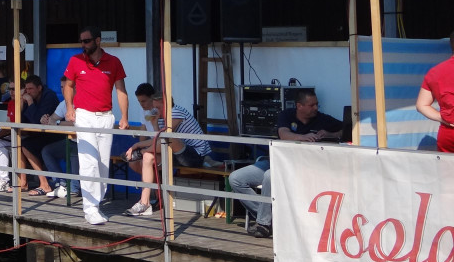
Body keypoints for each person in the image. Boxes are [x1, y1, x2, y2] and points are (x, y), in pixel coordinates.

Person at [230, 89, 342, 238]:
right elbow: (283, 134)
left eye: (317, 104)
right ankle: (272, 219)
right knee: (236, 178)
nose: (316, 108)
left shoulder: (322, 119)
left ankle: (264, 224)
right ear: (299, 106)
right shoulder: (286, 115)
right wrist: (303, 137)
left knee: (270, 176)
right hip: (277, 160)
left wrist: (329, 134)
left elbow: (347, 129)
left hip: (301, 166)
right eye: (312, 105)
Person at [62, 25, 130, 225]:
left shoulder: (114, 61)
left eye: (87, 41)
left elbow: (121, 90)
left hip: (106, 116)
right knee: (89, 162)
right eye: (81, 41)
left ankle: (96, 204)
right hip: (84, 115)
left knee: (102, 164)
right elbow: (68, 85)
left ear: (98, 40)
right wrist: (70, 107)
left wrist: (124, 117)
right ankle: (90, 208)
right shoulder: (76, 60)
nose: (83, 45)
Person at [122, 83, 212, 217]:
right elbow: (158, 139)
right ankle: (145, 203)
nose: (156, 111)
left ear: (166, 104)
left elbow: (164, 140)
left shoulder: (176, 112)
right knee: (148, 158)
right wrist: (137, 144)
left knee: (168, 139)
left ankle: (156, 196)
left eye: (158, 107)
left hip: (195, 156)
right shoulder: (162, 117)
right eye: (154, 108)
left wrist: (141, 149)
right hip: (177, 154)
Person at [40, 76, 80, 199]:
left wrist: (57, 123)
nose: (63, 90)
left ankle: (74, 188)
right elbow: (53, 119)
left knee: (73, 149)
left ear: (75, 87)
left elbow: (78, 124)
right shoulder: (64, 104)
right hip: (71, 140)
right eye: (62, 87)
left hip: (84, 142)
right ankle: (61, 183)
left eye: (66, 87)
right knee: (47, 151)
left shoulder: (82, 102)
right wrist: (45, 119)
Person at [20, 75, 61, 196]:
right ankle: (22, 182)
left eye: (31, 89)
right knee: (18, 142)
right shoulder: (30, 98)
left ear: (39, 88)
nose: (28, 92)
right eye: (26, 89)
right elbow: (21, 121)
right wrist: (22, 104)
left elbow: (37, 120)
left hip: (55, 135)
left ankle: (44, 184)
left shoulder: (49, 96)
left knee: (26, 145)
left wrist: (30, 102)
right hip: (40, 134)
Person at [416, 31, 454, 153]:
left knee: (447, 166)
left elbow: (421, 105)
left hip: (448, 134)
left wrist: (442, 118)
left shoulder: (435, 72)